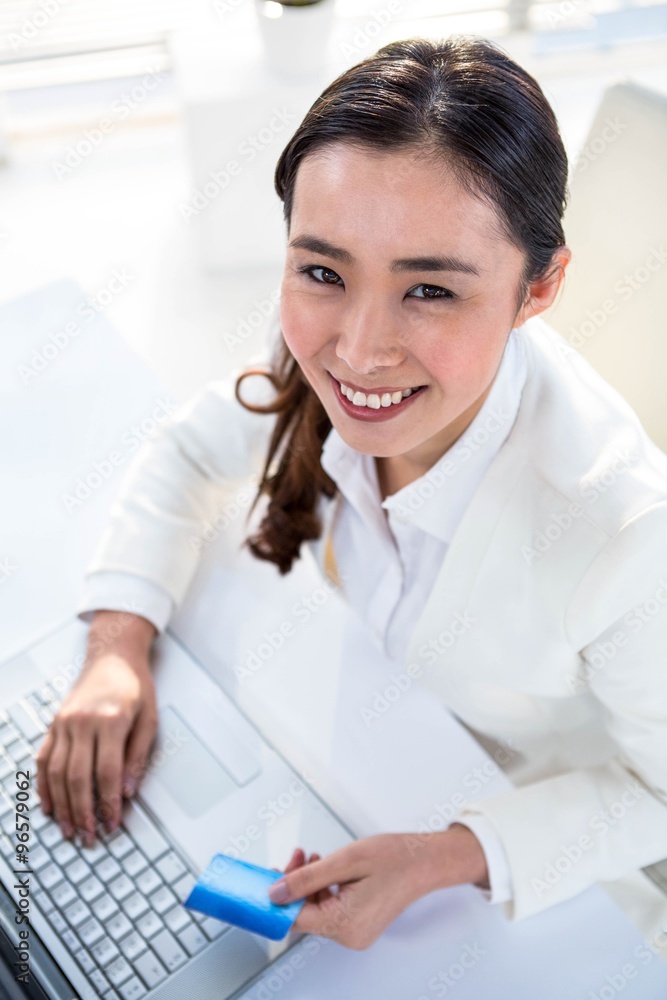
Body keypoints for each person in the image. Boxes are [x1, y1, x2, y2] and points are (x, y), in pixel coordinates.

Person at [36, 35, 667, 951]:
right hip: (349, 745)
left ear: (540, 289)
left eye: (431, 291)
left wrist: (443, 854)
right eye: (323, 271)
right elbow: (189, 452)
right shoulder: (312, 340)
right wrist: (116, 646)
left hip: (519, 853)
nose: (357, 349)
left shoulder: (624, 536)